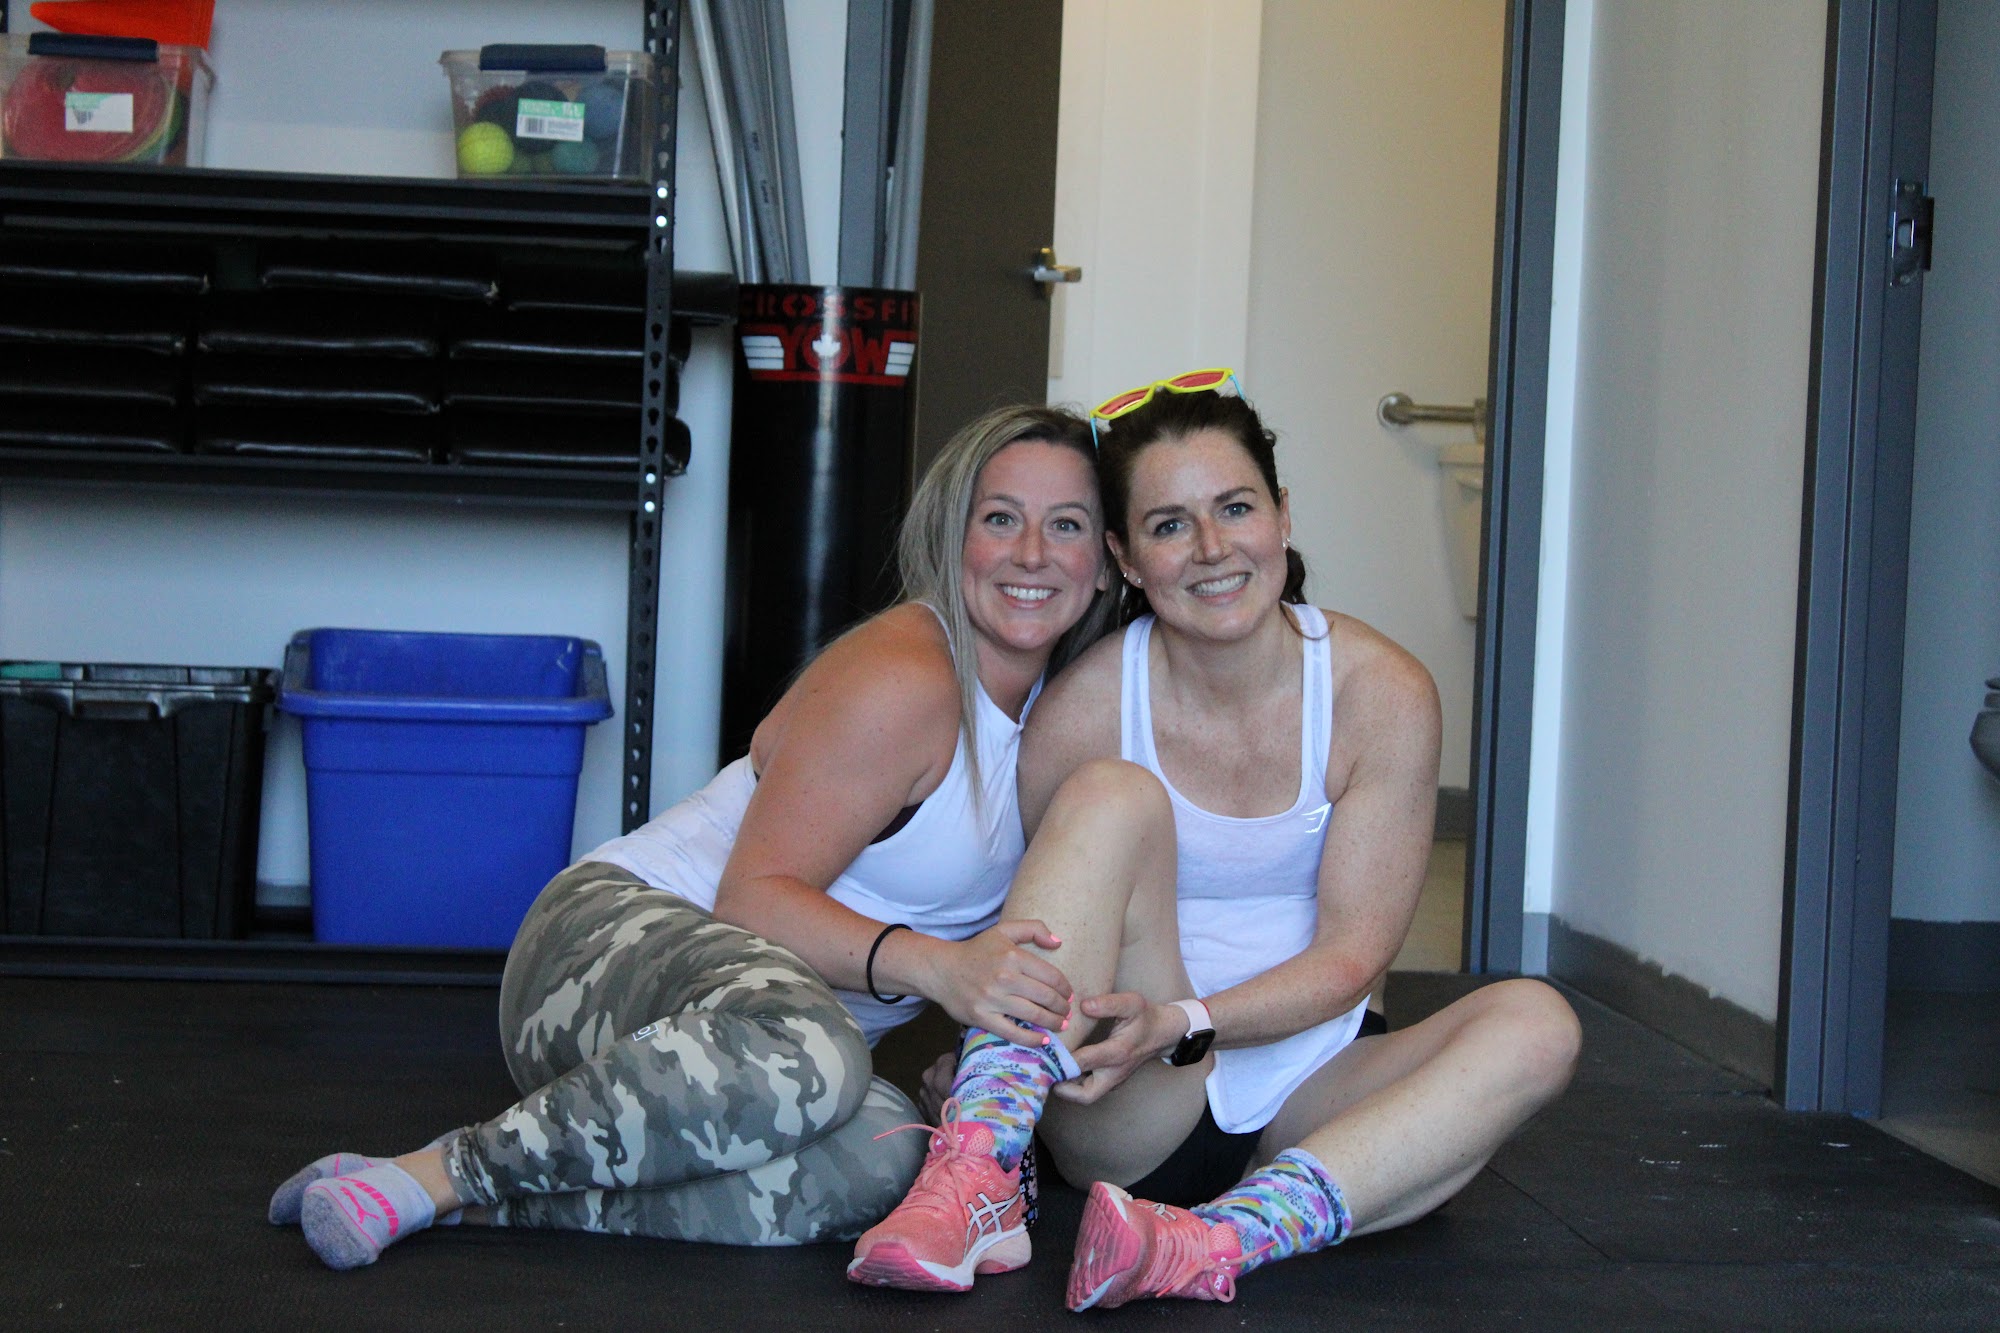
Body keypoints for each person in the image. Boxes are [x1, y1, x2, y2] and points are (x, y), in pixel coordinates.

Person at [270, 403, 1117, 1269]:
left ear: (1104, 561)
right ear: (952, 537)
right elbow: (753, 900)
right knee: (819, 1053)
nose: (1032, 554)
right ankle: (444, 1171)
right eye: (1000, 518)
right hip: (600, 948)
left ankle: (466, 1204)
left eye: (1067, 525)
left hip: (751, 1060)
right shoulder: (905, 676)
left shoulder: (1069, 716)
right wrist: (942, 967)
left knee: (886, 1154)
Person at [848, 371, 1582, 1306]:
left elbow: (1352, 958)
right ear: (1125, 556)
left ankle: (1205, 1243)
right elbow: (1046, 921)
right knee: (1111, 794)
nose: (1211, 548)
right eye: (1169, 525)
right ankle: (979, 1172)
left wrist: (1187, 1021)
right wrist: (1002, 1070)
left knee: (1539, 1023)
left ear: (1282, 515)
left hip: (1320, 1083)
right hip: (1136, 1096)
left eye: (1235, 508)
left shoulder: (1380, 692)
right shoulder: (1084, 710)